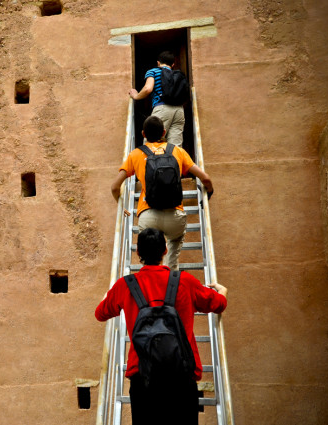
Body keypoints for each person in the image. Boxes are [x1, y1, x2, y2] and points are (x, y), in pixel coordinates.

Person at [95, 228, 228, 425]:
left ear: (138, 253)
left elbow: (100, 313)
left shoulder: (125, 285)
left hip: (143, 377)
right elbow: (218, 304)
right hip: (181, 376)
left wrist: (108, 295)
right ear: (165, 251)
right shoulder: (185, 281)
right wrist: (222, 291)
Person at [111, 115, 213, 271]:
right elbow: (205, 179)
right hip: (175, 215)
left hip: (148, 215)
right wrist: (209, 194)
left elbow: (115, 187)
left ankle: (149, 281)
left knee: (149, 255)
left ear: (143, 134)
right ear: (164, 132)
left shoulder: (136, 154)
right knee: (174, 242)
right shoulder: (178, 151)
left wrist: (122, 206)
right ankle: (171, 273)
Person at [129, 51, 186, 146]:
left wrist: (136, 96)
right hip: (179, 110)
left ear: (158, 63)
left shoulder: (153, 71)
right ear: (173, 64)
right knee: (175, 147)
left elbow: (148, 89)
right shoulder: (177, 75)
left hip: (162, 108)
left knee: (151, 142)